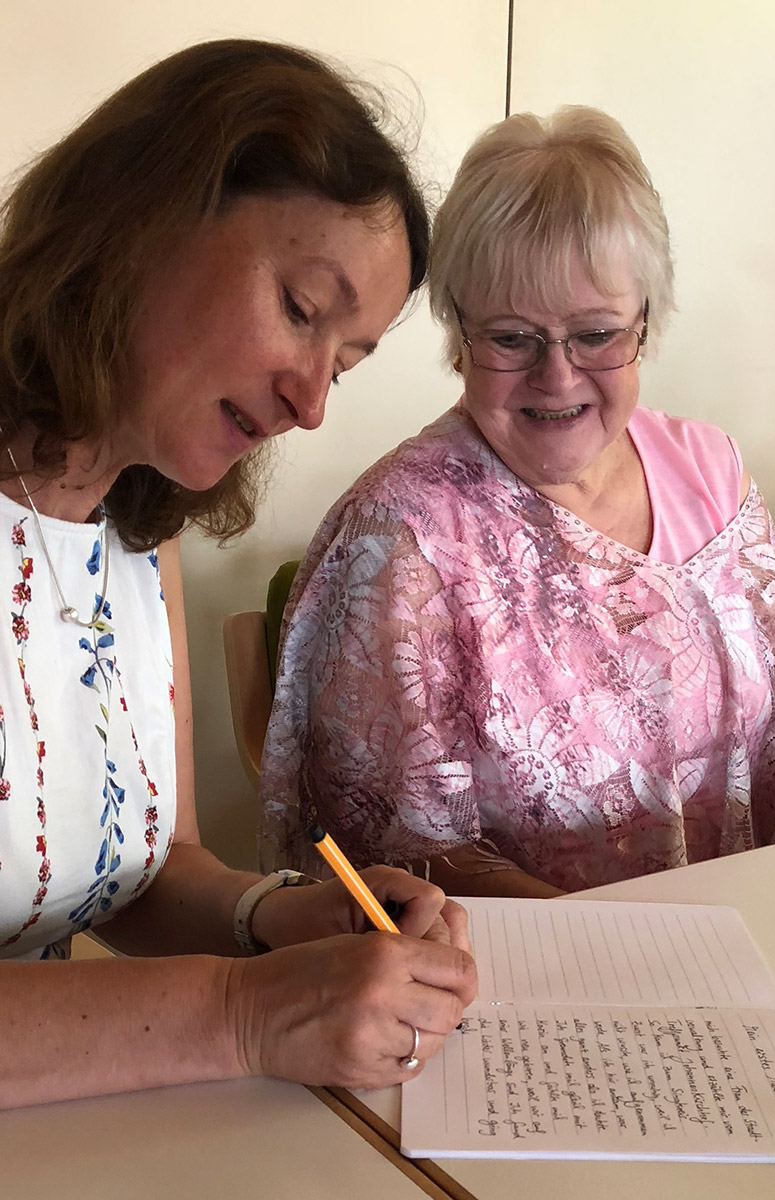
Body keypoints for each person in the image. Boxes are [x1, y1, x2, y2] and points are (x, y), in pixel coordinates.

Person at [0, 38, 476, 1111]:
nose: (311, 403)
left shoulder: (134, 526)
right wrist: (244, 1014)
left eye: (343, 362)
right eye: (301, 309)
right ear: (140, 218)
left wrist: (284, 919)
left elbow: (143, 874)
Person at [260, 105, 775, 899]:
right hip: (538, 966)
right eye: (512, 337)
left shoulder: (711, 472)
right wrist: (620, 950)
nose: (557, 376)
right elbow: (397, 857)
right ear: (460, 336)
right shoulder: (400, 533)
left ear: (646, 323)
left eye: (597, 334)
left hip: (752, 934)